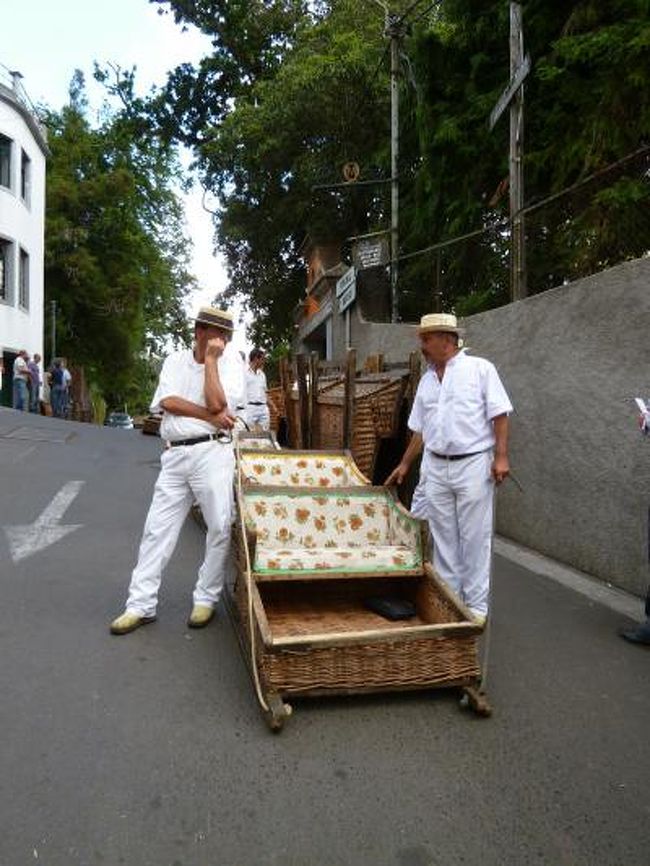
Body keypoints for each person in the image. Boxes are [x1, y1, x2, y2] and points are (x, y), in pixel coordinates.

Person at [110, 306, 246, 635]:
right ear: (198, 330)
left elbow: (219, 404)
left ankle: (206, 598)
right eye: (213, 332)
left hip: (213, 452)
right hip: (174, 455)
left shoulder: (231, 364)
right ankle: (140, 604)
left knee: (218, 526)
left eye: (224, 335)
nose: (219, 339)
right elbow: (167, 401)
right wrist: (209, 414)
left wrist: (212, 362)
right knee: (157, 528)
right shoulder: (174, 360)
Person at [385, 312, 513, 625]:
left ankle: (476, 608)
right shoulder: (428, 380)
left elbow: (500, 414)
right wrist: (404, 463)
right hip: (436, 466)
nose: (422, 345)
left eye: (426, 339)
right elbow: (420, 430)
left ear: (447, 340)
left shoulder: (480, 369)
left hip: (472, 463)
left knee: (474, 537)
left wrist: (501, 456)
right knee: (443, 539)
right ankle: (450, 601)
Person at [245, 347, 270, 430]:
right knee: (249, 434)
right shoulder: (244, 373)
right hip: (250, 408)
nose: (264, 361)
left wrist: (272, 406)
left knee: (264, 434)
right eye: (262, 359)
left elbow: (265, 392)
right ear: (256, 359)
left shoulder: (262, 375)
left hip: (263, 408)